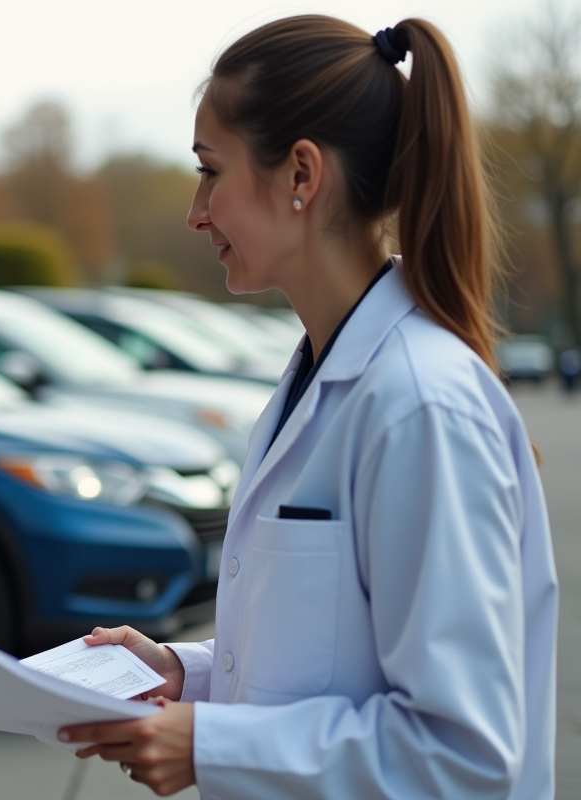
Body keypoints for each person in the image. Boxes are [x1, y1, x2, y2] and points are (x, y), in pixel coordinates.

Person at [59, 16, 558, 799]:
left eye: (209, 170)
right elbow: (333, 659)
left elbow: (464, 753)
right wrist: (186, 675)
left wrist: (213, 743)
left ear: (300, 174)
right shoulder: (319, 379)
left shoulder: (421, 406)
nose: (196, 212)